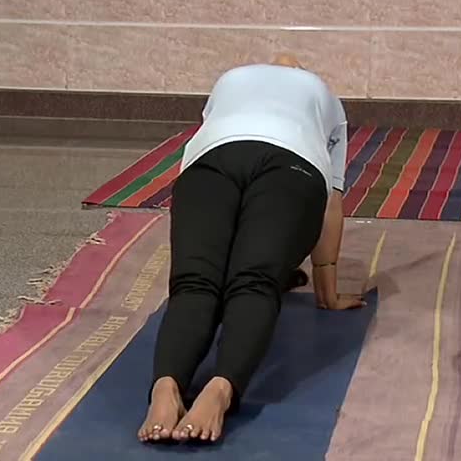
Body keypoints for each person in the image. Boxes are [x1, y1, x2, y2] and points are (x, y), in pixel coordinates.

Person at [137, 54, 365, 444]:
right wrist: (327, 294)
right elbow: (330, 204)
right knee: (255, 280)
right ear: (304, 72)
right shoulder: (324, 96)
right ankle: (219, 391)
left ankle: (165, 388)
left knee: (194, 281)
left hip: (210, 161)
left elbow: (213, 130)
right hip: (292, 163)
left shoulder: (231, 78)